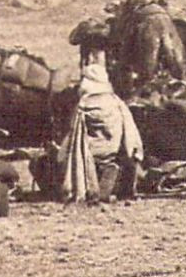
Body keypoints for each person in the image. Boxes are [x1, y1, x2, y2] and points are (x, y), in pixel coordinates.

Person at [59, 20, 144, 202]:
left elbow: (87, 81)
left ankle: (95, 178)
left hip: (91, 102)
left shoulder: (89, 60)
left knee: (77, 145)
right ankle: (117, 172)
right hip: (112, 104)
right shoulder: (112, 56)